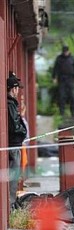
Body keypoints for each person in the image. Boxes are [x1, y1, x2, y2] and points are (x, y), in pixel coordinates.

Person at [7, 71, 27, 209]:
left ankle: (11, 203)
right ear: (13, 89)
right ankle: (11, 204)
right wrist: (23, 132)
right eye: (17, 89)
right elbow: (15, 126)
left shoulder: (11, 104)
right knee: (13, 177)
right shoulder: (10, 104)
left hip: (14, 144)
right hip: (14, 145)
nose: (18, 92)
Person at [52, 45, 74, 117]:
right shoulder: (59, 58)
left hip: (70, 79)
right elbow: (55, 68)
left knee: (72, 96)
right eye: (64, 52)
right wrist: (54, 77)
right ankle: (62, 113)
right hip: (62, 79)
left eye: (66, 52)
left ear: (69, 51)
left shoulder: (72, 58)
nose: (65, 53)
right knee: (62, 96)